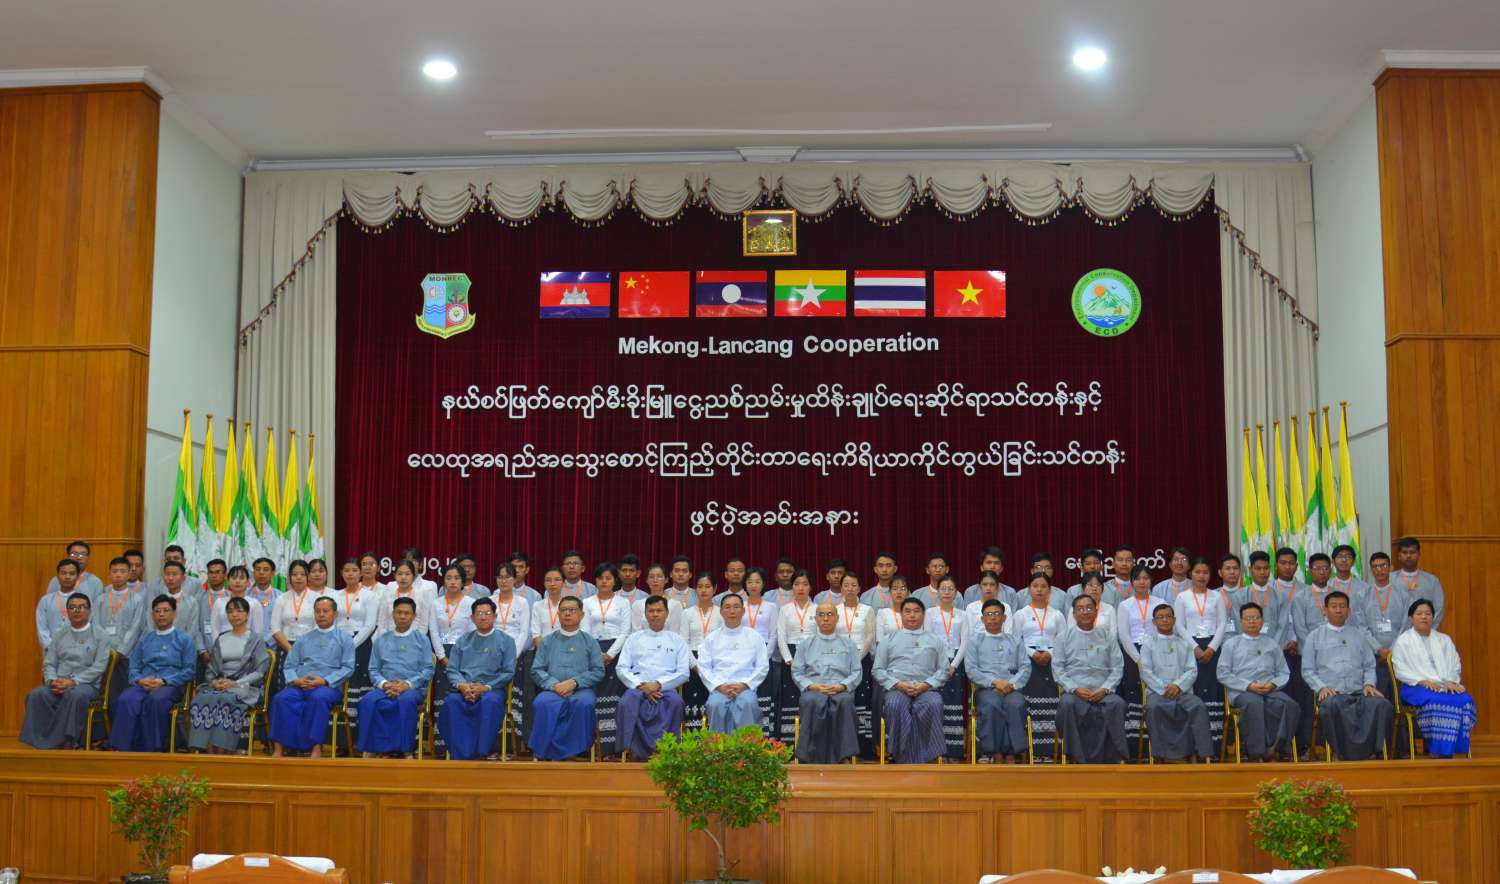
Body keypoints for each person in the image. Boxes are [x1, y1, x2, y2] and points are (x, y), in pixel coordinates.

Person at [1302, 591, 1392, 761]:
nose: (1338, 610)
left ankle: (1370, 752)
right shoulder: (1314, 637)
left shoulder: (1359, 635)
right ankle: (1340, 752)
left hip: (1359, 691)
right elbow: (1307, 670)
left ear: (1349, 611)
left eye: (1342, 606)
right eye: (1334, 606)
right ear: (1325, 610)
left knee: (1381, 704)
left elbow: (1369, 665)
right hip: (1332, 693)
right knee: (1332, 706)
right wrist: (1321, 687)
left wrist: (1369, 684)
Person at [21, 592, 110, 749]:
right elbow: (49, 663)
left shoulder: (101, 635)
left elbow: (99, 667)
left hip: (86, 685)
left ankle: (68, 741)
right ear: (67, 612)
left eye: (81, 607)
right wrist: (52, 681)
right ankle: (40, 740)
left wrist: (74, 682)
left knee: (74, 695)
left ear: (89, 611)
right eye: (72, 607)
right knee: (37, 695)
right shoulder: (59, 635)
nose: (77, 611)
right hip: (59, 682)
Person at [269, 598, 355, 757]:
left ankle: (315, 748)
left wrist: (325, 681)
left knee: (317, 699)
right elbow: (289, 665)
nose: (321, 615)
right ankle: (279, 749)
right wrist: (295, 680)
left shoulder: (345, 639)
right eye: (318, 611)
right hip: (301, 684)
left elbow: (348, 668)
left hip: (328, 687)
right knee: (281, 699)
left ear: (335, 614)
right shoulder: (304, 638)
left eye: (325, 611)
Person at [109, 595, 196, 752]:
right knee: (126, 699)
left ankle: (152, 749)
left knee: (155, 700)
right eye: (157, 611)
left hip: (169, 685)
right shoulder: (145, 640)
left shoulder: (185, 639)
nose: (161, 614)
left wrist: (164, 681)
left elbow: (189, 670)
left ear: (174, 613)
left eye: (166, 610)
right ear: (152, 614)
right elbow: (133, 667)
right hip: (144, 683)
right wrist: (139, 680)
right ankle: (122, 749)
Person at [1391, 598, 1476, 758]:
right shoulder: (1403, 641)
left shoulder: (1444, 639)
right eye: (1419, 613)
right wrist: (1422, 681)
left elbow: (1455, 663)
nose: (1424, 617)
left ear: (1433, 617)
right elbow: (1400, 669)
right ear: (1411, 618)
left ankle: (1456, 747)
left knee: (1465, 699)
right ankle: (1437, 749)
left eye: (1428, 613)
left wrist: (1450, 681)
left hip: (1444, 684)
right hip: (1414, 686)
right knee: (1436, 700)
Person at [187, 597, 271, 754]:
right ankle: (205, 747)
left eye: (239, 611)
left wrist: (235, 683)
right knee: (202, 698)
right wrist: (213, 682)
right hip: (221, 684)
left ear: (247, 615)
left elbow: (260, 672)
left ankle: (223, 748)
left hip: (244, 686)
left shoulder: (255, 640)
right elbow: (211, 669)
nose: (235, 615)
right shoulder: (221, 639)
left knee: (225, 699)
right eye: (230, 611)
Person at [1217, 602, 1299, 761]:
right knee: (1254, 703)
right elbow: (1222, 673)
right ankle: (1256, 753)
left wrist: (1273, 684)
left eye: (1255, 618)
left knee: (1289, 705)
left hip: (1270, 689)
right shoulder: (1231, 644)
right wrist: (1248, 686)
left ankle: (1275, 748)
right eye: (1248, 618)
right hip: (1243, 691)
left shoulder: (1272, 644)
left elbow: (1284, 672)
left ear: (1262, 621)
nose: (1252, 622)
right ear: (1241, 621)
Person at [356, 596, 435, 758]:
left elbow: (428, 669)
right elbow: (373, 669)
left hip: (412, 689)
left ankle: (406, 750)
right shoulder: (381, 640)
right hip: (385, 687)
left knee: (405, 701)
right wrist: (385, 684)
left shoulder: (422, 640)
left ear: (414, 616)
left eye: (407, 613)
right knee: (366, 701)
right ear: (393, 614)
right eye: (399, 612)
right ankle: (373, 748)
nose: (402, 616)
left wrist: (407, 684)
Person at [439, 598, 517, 760]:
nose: (483, 617)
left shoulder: (507, 641)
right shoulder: (463, 641)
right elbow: (452, 669)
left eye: (487, 613)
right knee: (451, 702)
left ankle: (482, 752)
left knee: (490, 702)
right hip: (464, 689)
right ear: (472, 618)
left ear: (495, 617)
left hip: (492, 689)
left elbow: (508, 672)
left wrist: (486, 687)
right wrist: (462, 686)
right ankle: (459, 753)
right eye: (479, 613)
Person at [872, 598, 948, 763]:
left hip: (926, 689)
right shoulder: (888, 639)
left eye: (916, 611)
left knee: (934, 703)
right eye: (907, 611)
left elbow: (944, 670)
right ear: (901, 615)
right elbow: (877, 670)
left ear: (923, 615)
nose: (912, 615)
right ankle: (902, 755)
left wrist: (926, 685)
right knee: (895, 704)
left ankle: (927, 755)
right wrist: (898, 684)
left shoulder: (935, 640)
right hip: (897, 688)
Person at [1054, 595, 1127, 763]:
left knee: (1118, 704)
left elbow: (1118, 667)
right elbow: (1058, 669)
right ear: (1074, 614)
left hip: (1103, 691)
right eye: (1080, 609)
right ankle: (1076, 756)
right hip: (1075, 692)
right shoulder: (1063, 638)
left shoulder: (1107, 636)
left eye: (1089, 608)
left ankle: (1112, 758)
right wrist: (1074, 688)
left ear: (1096, 612)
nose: (1085, 612)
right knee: (1067, 704)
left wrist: (1105, 689)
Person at [615, 596, 691, 758]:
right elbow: (621, 668)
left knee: (676, 703)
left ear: (667, 613)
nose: (655, 614)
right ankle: (632, 750)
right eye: (651, 611)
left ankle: (668, 751)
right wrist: (641, 686)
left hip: (666, 688)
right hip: (638, 687)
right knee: (625, 703)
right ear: (645, 614)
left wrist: (658, 684)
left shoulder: (677, 640)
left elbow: (684, 672)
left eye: (659, 610)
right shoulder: (633, 639)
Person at [529, 596, 604, 760]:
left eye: (572, 610)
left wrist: (574, 682)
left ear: (582, 615)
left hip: (582, 690)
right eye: (563, 610)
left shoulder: (590, 641)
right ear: (558, 614)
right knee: (541, 702)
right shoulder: (547, 641)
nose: (567, 613)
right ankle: (545, 751)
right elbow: (536, 670)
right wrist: (555, 685)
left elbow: (598, 671)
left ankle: (574, 751)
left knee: (583, 704)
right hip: (553, 690)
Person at [1139, 604, 1213, 763]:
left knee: (1198, 706)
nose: (1165, 620)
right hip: (1157, 692)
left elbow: (1192, 670)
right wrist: (1164, 688)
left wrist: (1178, 686)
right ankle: (1162, 755)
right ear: (1154, 622)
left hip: (1183, 692)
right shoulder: (1148, 645)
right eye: (1160, 617)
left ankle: (1199, 753)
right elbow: (1145, 671)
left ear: (1174, 620)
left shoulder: (1185, 644)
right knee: (1153, 708)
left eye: (1168, 617)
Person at [792, 603, 862, 763]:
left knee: (845, 701)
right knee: (811, 700)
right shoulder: (805, 644)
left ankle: (844, 756)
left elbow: (857, 672)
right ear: (815, 619)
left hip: (840, 689)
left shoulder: (849, 644)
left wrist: (842, 686)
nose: (825, 619)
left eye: (830, 614)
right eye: (821, 615)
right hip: (814, 689)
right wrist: (812, 686)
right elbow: (796, 672)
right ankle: (810, 756)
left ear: (837, 618)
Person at [965, 599, 1031, 763]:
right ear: (982, 619)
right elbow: (971, 669)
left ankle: (1011, 753)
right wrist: (994, 682)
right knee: (992, 704)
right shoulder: (974, 642)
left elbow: (1025, 667)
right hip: (986, 689)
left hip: (1011, 688)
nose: (993, 617)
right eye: (988, 614)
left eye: (997, 614)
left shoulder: (1015, 641)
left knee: (1016, 704)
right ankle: (996, 752)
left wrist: (1011, 684)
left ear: (1004, 618)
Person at [698, 595, 770, 733]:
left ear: (743, 611)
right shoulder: (711, 638)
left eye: (736, 607)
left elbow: (762, 666)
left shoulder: (754, 637)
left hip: (745, 687)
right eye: (727, 607)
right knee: (715, 704)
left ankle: (747, 745)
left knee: (748, 702)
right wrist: (719, 686)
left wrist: (745, 684)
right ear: (721, 611)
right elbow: (704, 668)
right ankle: (718, 746)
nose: (732, 611)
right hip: (720, 687)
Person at [583, 562, 632, 756]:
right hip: (592, 651)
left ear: (614, 581)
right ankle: (594, 748)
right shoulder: (587, 602)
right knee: (595, 697)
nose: (604, 581)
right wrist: (598, 654)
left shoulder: (623, 602)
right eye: (601, 578)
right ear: (595, 580)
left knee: (615, 699)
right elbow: (585, 631)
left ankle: (614, 748)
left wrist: (610, 654)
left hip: (617, 653)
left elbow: (625, 631)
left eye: (608, 578)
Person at [775, 570, 818, 742]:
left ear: (811, 587)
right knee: (791, 698)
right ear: (792, 587)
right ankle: (790, 741)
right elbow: (781, 636)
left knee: (812, 696)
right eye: (797, 584)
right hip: (791, 657)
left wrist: (814, 660)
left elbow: (820, 635)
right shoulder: (785, 610)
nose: (801, 588)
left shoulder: (817, 609)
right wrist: (788, 659)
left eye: (805, 584)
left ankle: (812, 740)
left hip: (813, 657)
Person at [93, 556, 146, 660]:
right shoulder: (100, 599)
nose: (118, 575)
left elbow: (135, 628)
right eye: (114, 571)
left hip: (126, 653)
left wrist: (121, 651)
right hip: (102, 651)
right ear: (109, 574)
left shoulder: (137, 600)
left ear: (129, 574)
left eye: (122, 571)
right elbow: (96, 624)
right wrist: (102, 647)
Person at [38, 558, 90, 652]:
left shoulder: (84, 600)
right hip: (51, 651)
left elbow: (88, 626)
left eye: (72, 573)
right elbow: (42, 628)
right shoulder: (46, 600)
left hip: (78, 651)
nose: (67, 577)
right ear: (57, 576)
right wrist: (52, 648)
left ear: (78, 576)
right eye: (63, 573)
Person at [270, 560, 319, 655]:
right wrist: (291, 650)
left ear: (308, 576)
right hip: (286, 646)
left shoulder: (316, 598)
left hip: (310, 646)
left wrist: (307, 647)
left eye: (302, 574)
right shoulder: (281, 599)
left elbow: (319, 626)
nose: (298, 577)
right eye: (295, 574)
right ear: (289, 577)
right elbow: (275, 628)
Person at [1393, 537, 1445, 627]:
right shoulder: (1390, 580)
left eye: (1412, 552)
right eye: (1404, 552)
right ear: (1399, 555)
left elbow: (1438, 610)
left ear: (1419, 554)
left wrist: (1427, 630)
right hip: (1397, 633)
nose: (1408, 556)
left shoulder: (1431, 581)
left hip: (1425, 632)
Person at [210, 565, 267, 642]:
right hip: (222, 643)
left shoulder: (254, 603)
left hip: (247, 644)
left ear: (248, 582)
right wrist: (218, 645)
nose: (237, 581)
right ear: (228, 581)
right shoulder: (219, 602)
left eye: (241, 578)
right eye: (234, 578)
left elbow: (257, 631)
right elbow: (215, 629)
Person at [631, 563, 684, 633]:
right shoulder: (637, 605)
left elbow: (675, 632)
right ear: (647, 581)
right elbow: (636, 632)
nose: (655, 580)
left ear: (666, 580)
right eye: (651, 577)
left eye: (659, 576)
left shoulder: (675, 605)